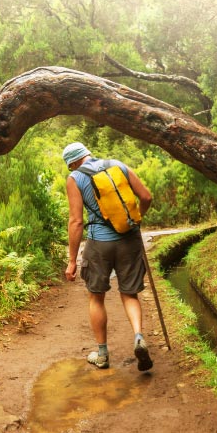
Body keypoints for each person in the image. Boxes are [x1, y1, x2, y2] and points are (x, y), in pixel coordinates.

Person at [63, 142, 154, 371]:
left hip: (99, 243)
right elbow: (146, 197)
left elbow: (76, 221)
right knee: (129, 293)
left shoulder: (75, 178)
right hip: (129, 239)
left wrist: (72, 260)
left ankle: (102, 354)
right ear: (88, 154)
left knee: (96, 296)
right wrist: (135, 220)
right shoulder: (118, 165)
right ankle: (138, 337)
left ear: (73, 163)